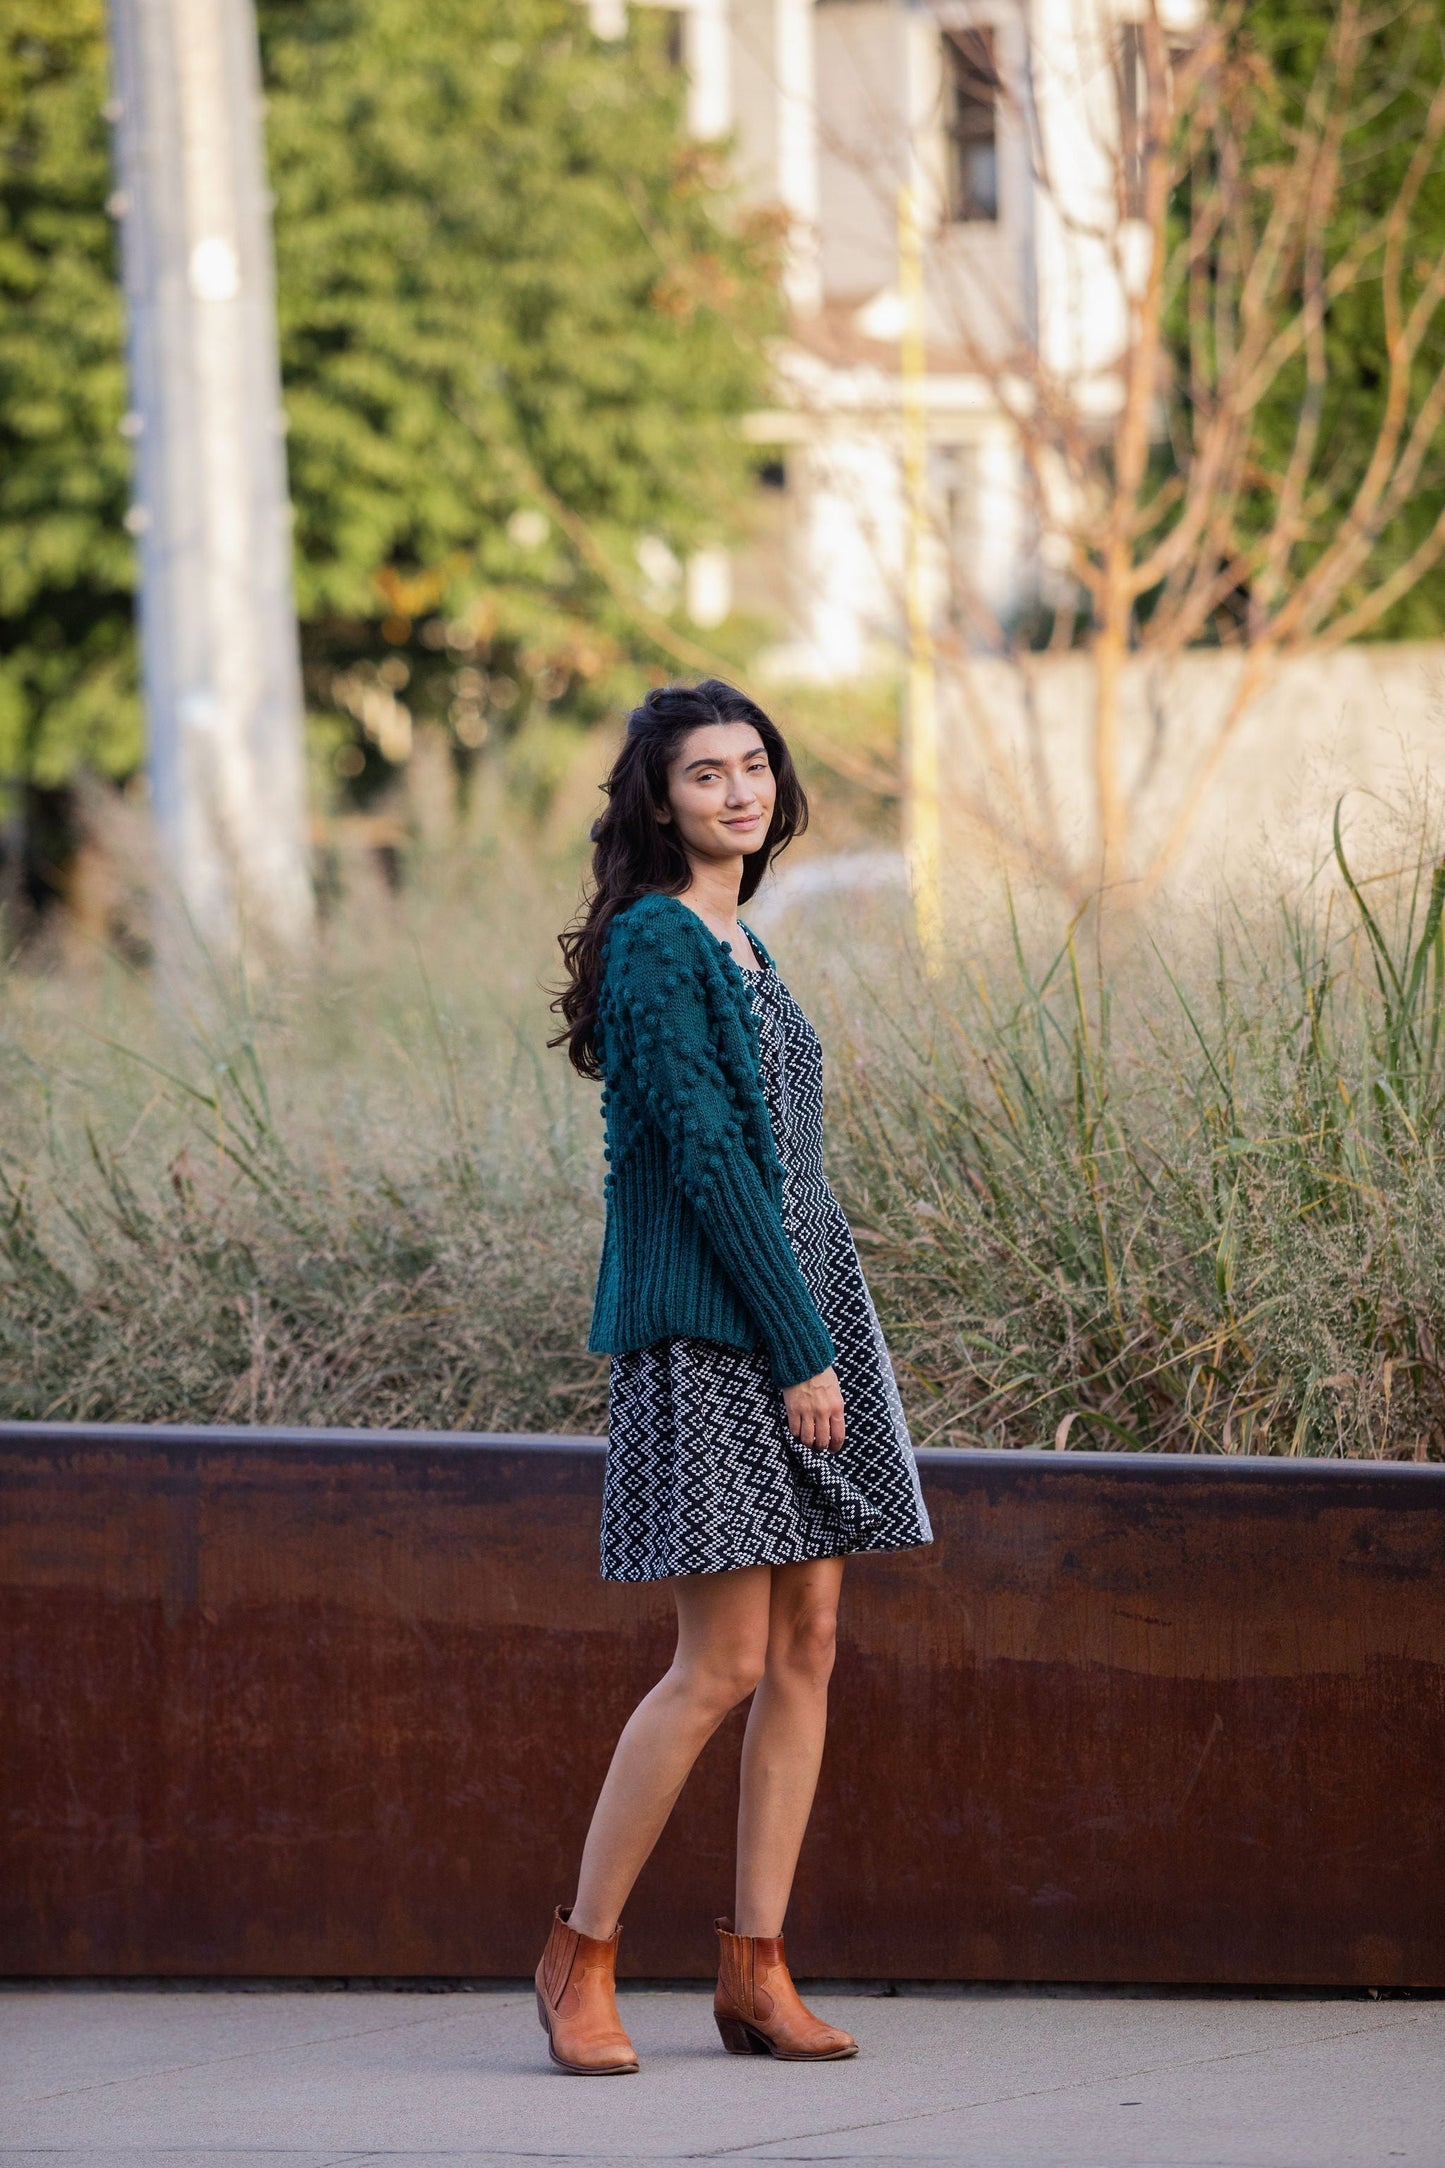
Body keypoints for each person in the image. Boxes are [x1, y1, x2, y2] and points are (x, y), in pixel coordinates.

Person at [540, 678, 932, 2075]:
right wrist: (800, 1346)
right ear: (658, 799)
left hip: (805, 1309)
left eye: (753, 766)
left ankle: (754, 1970)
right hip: (725, 1331)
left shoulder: (744, 940)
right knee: (720, 1662)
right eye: (706, 774)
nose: (738, 791)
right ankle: (578, 1957)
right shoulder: (658, 943)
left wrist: (828, 1324)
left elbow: (788, 1159)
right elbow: (710, 1161)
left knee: (811, 1642)